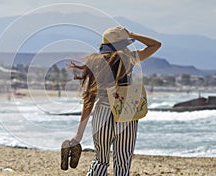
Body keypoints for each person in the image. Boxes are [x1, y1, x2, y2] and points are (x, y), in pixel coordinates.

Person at [68, 26, 161, 175]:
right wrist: (132, 34)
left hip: (102, 113)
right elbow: (156, 45)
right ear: (123, 45)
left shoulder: (95, 62)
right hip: (126, 113)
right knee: (122, 162)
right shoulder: (129, 59)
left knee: (100, 160)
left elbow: (89, 100)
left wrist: (78, 135)